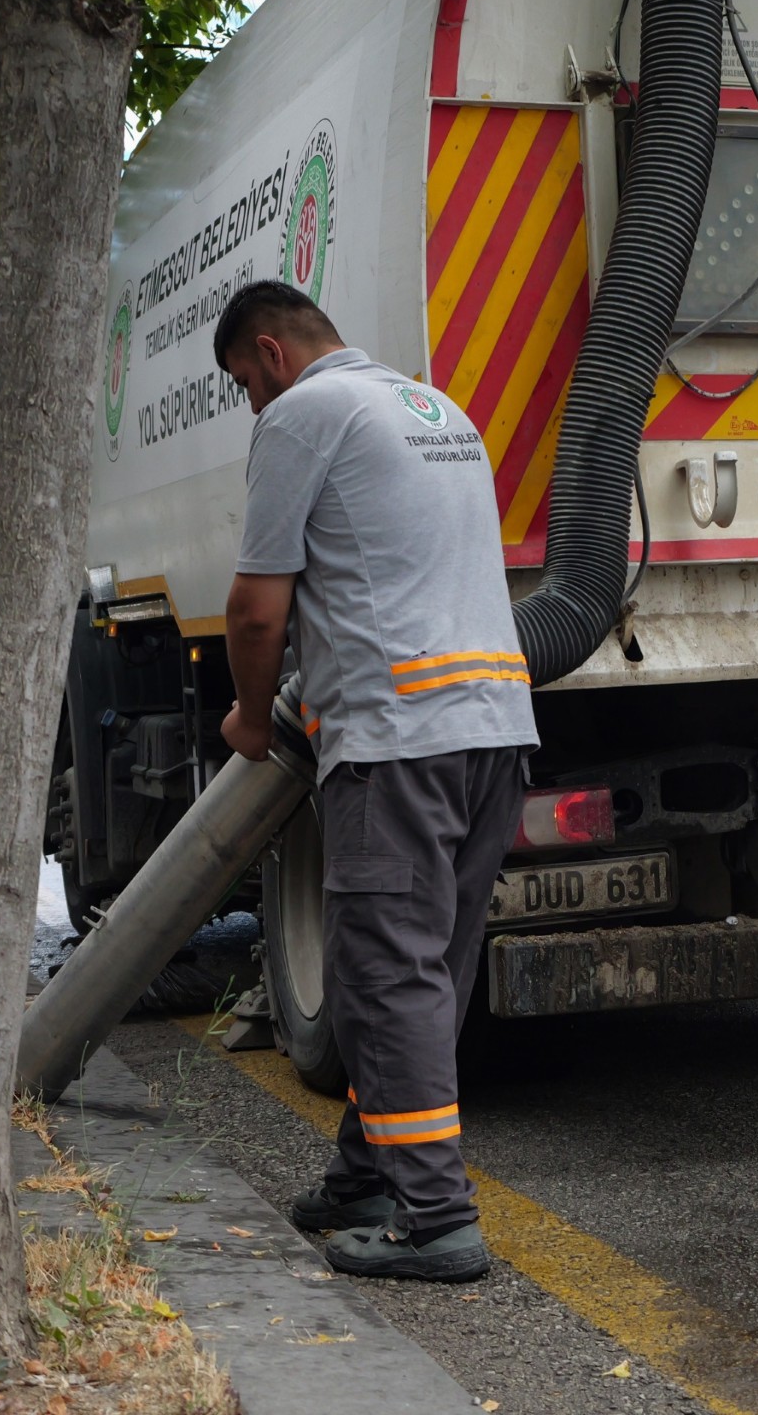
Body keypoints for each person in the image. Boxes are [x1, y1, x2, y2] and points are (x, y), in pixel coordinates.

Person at [214, 280, 537, 1282]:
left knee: (389, 975)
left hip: (398, 742)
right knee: (416, 969)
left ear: (270, 354)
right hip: (494, 729)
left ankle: (435, 1220)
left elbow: (257, 609)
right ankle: (367, 1172)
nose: (251, 409)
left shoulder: (305, 412)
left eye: (242, 387)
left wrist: (254, 717)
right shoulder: (436, 409)